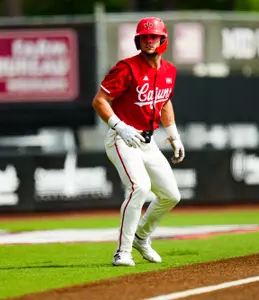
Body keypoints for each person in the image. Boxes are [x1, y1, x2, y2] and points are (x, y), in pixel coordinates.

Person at [92, 17, 185, 266]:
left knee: (171, 195)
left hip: (147, 140)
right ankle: (122, 251)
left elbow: (164, 101)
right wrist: (119, 127)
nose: (149, 40)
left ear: (163, 39)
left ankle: (141, 237)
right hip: (121, 138)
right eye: (145, 36)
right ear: (138, 40)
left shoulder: (169, 71)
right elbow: (99, 100)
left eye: (154, 36)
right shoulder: (126, 68)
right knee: (139, 187)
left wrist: (174, 136)